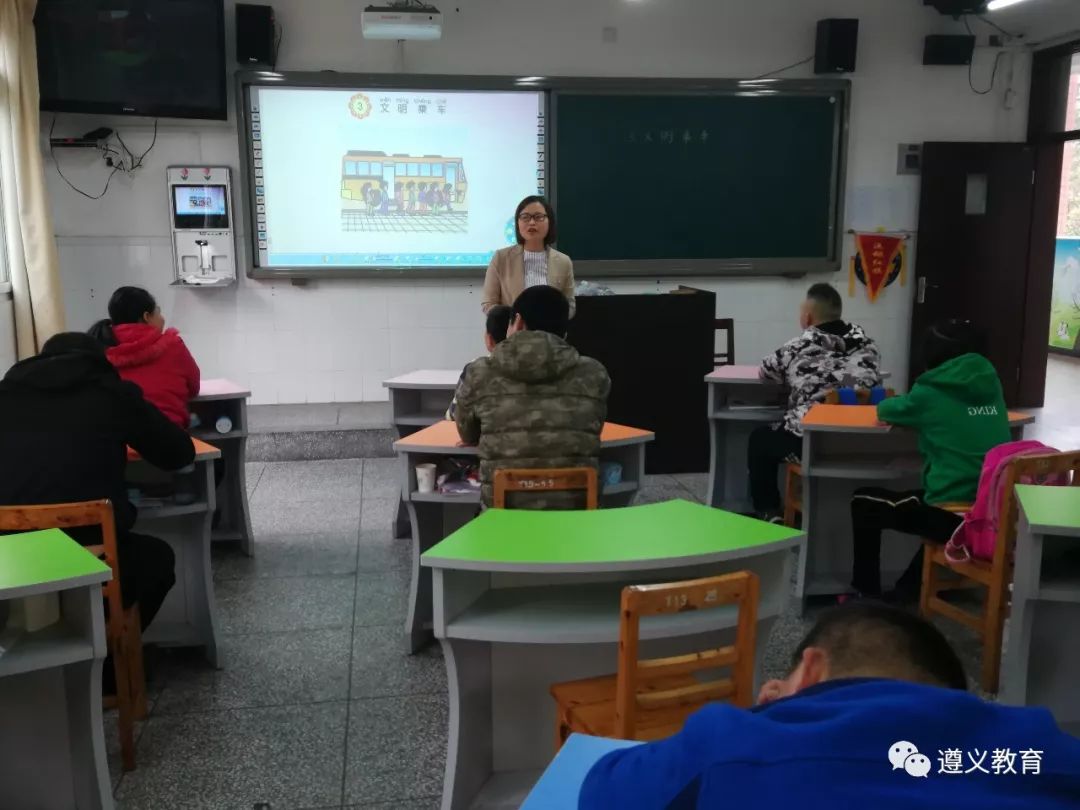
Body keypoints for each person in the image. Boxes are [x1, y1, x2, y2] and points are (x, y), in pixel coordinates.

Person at [579, 602, 1080, 809]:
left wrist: (764, 718)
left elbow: (601, 790)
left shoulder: (730, 744)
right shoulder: (1048, 751)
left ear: (813, 668)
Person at [0, 333, 195, 632]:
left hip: (12, 558)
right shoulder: (111, 394)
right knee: (156, 560)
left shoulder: (5, 394)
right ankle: (111, 660)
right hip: (93, 556)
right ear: (99, 361)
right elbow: (178, 453)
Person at [850, 320, 1011, 599]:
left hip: (953, 512)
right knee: (924, 505)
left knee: (863, 502)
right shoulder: (991, 383)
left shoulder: (929, 391)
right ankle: (908, 591)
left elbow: (887, 409)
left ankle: (866, 595)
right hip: (993, 508)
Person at [454, 285, 610, 508]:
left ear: (517, 322)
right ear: (564, 332)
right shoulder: (594, 373)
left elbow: (467, 433)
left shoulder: (479, 373)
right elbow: (591, 428)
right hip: (577, 511)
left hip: (504, 511)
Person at [748, 283, 882, 522]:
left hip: (813, 443)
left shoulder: (797, 347)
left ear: (807, 317)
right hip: (863, 442)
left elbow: (765, 373)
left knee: (760, 439)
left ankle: (768, 512)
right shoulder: (869, 346)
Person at [89, 286, 200, 429]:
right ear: (146, 317)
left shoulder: (99, 348)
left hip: (116, 441)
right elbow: (193, 387)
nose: (162, 318)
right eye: (158, 312)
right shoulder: (173, 345)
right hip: (169, 438)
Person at [481, 195, 576, 317]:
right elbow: (488, 304)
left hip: (550, 334)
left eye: (538, 217)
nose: (531, 222)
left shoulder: (563, 261)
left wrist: (552, 319)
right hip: (513, 332)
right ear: (517, 223)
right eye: (525, 217)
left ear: (550, 221)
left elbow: (570, 306)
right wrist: (516, 320)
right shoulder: (501, 258)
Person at [445, 305, 512, 421]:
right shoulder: (535, 366)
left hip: (482, 437)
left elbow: (454, 416)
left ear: (489, 339)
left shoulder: (475, 368)